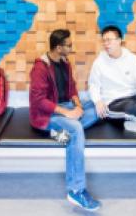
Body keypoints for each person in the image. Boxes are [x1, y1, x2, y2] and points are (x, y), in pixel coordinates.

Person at [29, 29, 101, 211]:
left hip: (66, 107)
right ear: (58, 47)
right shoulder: (40, 68)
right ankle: (76, 190)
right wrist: (67, 113)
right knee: (76, 129)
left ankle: (59, 134)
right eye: (69, 45)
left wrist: (77, 105)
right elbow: (38, 101)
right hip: (47, 115)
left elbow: (72, 89)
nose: (71, 48)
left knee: (96, 108)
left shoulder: (65, 62)